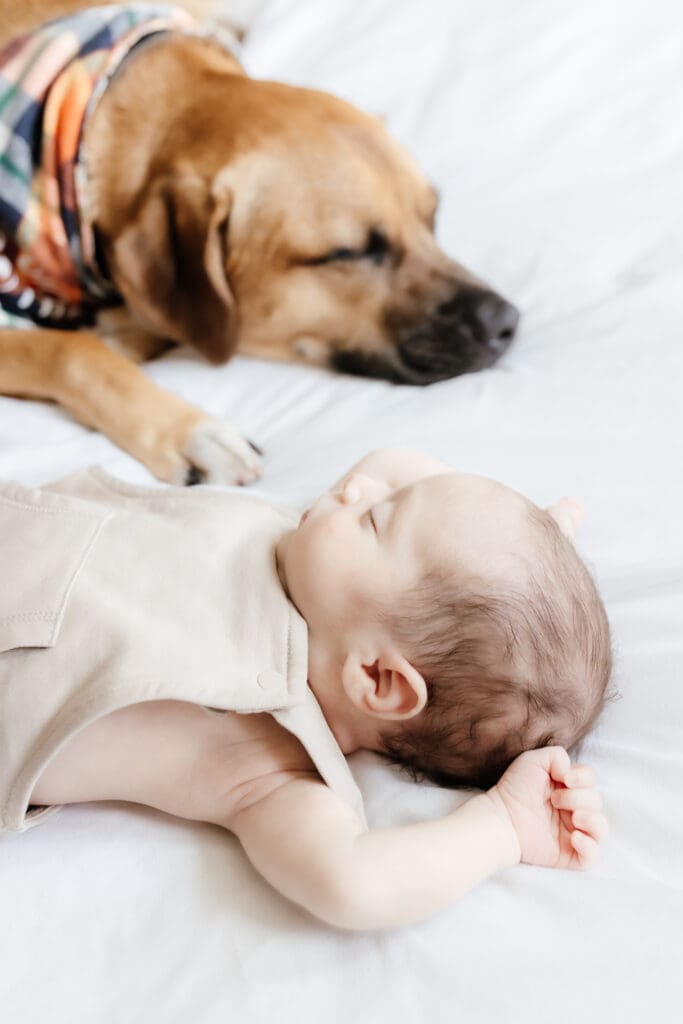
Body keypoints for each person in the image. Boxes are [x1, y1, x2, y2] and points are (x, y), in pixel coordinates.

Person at [0, 449, 610, 930]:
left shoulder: (270, 759)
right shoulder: (309, 556)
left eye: (376, 518)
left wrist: (500, 827)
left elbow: (356, 885)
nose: (360, 487)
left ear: (376, 679)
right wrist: (529, 542)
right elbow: (396, 463)